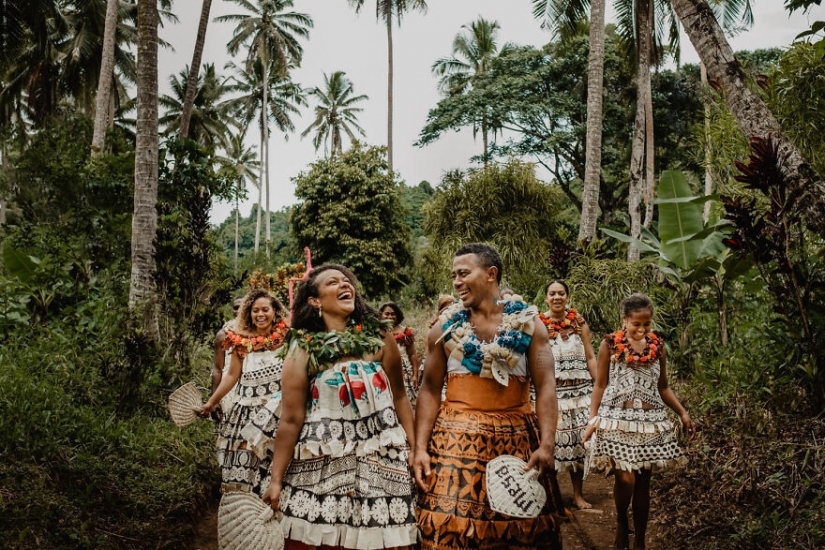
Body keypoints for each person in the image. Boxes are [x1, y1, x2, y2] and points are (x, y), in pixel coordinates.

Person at [248, 264, 418, 549]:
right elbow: (290, 419)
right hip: (322, 465)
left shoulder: (380, 337)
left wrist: (416, 449)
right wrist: (275, 480)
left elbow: (400, 397)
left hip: (379, 460)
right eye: (332, 282)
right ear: (315, 301)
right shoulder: (302, 348)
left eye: (346, 281)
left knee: (376, 540)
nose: (344, 285)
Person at [414, 243, 566, 550]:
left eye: (464, 273)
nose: (456, 282)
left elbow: (546, 385)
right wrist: (419, 448)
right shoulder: (442, 331)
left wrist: (547, 444)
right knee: (450, 533)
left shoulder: (531, 325)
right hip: (453, 445)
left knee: (523, 533)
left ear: (490, 274)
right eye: (454, 275)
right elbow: (429, 389)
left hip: (518, 442)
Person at [582, 293, 696, 550]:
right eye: (636, 324)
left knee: (644, 483)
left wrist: (683, 413)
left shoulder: (658, 346)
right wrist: (593, 419)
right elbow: (600, 385)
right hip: (617, 421)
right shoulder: (610, 344)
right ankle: (622, 521)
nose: (641, 329)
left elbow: (664, 387)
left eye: (646, 323)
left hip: (650, 422)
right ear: (624, 319)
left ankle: (640, 540)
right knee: (625, 479)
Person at [200, 289, 289, 494]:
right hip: (247, 412)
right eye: (255, 310)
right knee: (246, 467)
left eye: (265, 309)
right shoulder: (239, 341)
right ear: (248, 313)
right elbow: (231, 376)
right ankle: (247, 514)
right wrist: (212, 401)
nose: (260, 314)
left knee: (277, 468)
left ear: (274, 311)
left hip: (280, 412)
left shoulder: (286, 337)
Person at [539, 280, 598, 510]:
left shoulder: (579, 323)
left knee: (579, 441)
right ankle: (550, 496)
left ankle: (577, 495)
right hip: (550, 393)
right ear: (546, 298)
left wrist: (600, 386)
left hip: (579, 393)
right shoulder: (539, 324)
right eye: (552, 293)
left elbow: (591, 357)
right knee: (550, 441)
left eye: (561, 293)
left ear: (567, 297)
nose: (557, 297)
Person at [210, 296, 245, 422]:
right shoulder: (223, 334)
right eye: (236, 308)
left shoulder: (263, 333)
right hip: (229, 391)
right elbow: (218, 369)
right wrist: (214, 400)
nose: (239, 310)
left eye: (243, 307)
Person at [379, 301, 420, 407]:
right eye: (387, 314)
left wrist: (415, 375)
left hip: (404, 371)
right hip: (384, 370)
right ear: (381, 315)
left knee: (405, 401)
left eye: (393, 314)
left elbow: (412, 355)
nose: (390, 316)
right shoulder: (377, 332)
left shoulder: (405, 331)